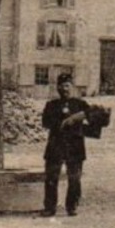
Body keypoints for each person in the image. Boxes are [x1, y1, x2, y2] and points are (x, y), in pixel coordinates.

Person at [41, 75, 91, 217]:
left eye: (67, 85)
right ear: (57, 88)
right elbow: (46, 123)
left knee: (74, 179)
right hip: (55, 145)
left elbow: (97, 117)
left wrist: (78, 118)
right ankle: (50, 208)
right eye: (62, 86)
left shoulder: (80, 104)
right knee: (51, 177)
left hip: (75, 146)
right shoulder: (51, 105)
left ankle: (72, 206)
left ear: (73, 87)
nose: (64, 89)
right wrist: (63, 123)